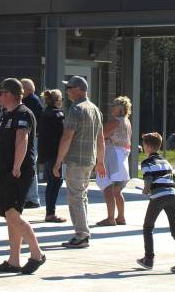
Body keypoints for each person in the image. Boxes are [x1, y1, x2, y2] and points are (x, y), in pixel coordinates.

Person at [0, 78, 46, 274]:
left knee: (13, 214)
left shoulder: (23, 114)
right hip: (6, 172)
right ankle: (14, 260)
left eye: (1, 93)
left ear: (11, 95)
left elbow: (22, 138)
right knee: (11, 216)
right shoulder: (9, 115)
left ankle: (37, 254)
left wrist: (16, 166)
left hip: (17, 172)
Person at [52, 75, 106, 249]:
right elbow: (101, 139)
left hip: (75, 161)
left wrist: (58, 161)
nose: (67, 91)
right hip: (89, 161)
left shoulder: (76, 110)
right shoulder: (95, 109)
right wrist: (100, 162)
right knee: (81, 197)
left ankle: (81, 234)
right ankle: (82, 232)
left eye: (70, 88)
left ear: (80, 90)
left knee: (75, 198)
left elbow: (67, 137)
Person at [137, 132, 175, 273]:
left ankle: (149, 259)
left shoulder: (147, 162)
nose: (143, 147)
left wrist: (146, 190)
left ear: (148, 146)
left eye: (144, 144)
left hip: (158, 196)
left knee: (148, 227)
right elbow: (173, 180)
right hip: (173, 196)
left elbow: (148, 179)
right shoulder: (166, 162)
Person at [98, 95, 132, 226]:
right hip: (122, 157)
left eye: (115, 105)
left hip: (113, 156)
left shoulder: (115, 122)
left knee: (108, 188)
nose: (112, 107)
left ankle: (110, 218)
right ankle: (121, 217)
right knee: (117, 191)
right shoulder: (127, 122)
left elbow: (101, 135)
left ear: (121, 109)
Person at [38, 89, 67, 223]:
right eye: (61, 98)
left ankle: (49, 211)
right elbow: (63, 135)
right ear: (57, 101)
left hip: (46, 153)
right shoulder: (58, 115)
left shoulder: (44, 114)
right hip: (55, 153)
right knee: (56, 182)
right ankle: (50, 213)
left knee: (51, 182)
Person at [20, 78, 44, 209]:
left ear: (27, 90)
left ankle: (33, 198)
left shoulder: (32, 102)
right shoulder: (32, 101)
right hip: (31, 137)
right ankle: (30, 197)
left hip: (32, 138)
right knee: (28, 166)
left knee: (30, 167)